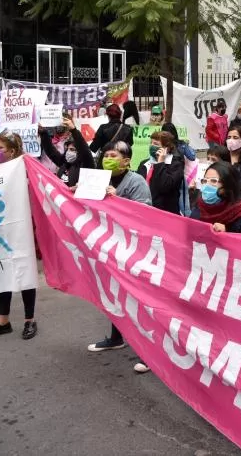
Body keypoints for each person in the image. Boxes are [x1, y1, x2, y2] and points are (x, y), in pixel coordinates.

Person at [86, 141, 154, 371]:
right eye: (106, 154)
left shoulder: (137, 182)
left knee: (139, 300)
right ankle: (116, 337)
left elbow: (145, 215)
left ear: (126, 161)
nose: (108, 158)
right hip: (108, 247)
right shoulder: (98, 179)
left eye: (113, 155)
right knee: (113, 294)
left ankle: (151, 352)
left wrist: (117, 200)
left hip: (133, 250)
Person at [0, 132, 38, 341]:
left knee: (24, 271)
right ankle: (3, 321)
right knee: (2, 270)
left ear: (12, 150)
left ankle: (30, 320)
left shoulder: (26, 165)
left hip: (20, 226)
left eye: (0, 148)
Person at [192, 161, 241, 233]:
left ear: (228, 186)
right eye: (205, 181)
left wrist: (227, 231)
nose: (207, 185)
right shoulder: (199, 206)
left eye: (213, 181)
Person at [136, 130, 185, 215]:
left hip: (164, 213)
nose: (151, 146)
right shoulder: (144, 163)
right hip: (143, 210)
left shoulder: (176, 165)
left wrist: (160, 163)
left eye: (155, 144)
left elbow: (165, 187)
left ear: (167, 148)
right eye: (151, 143)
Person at [40, 115, 95, 188]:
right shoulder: (64, 163)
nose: (71, 152)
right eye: (70, 149)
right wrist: (43, 133)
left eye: (75, 150)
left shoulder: (86, 164)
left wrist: (74, 130)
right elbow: (51, 152)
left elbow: (84, 148)